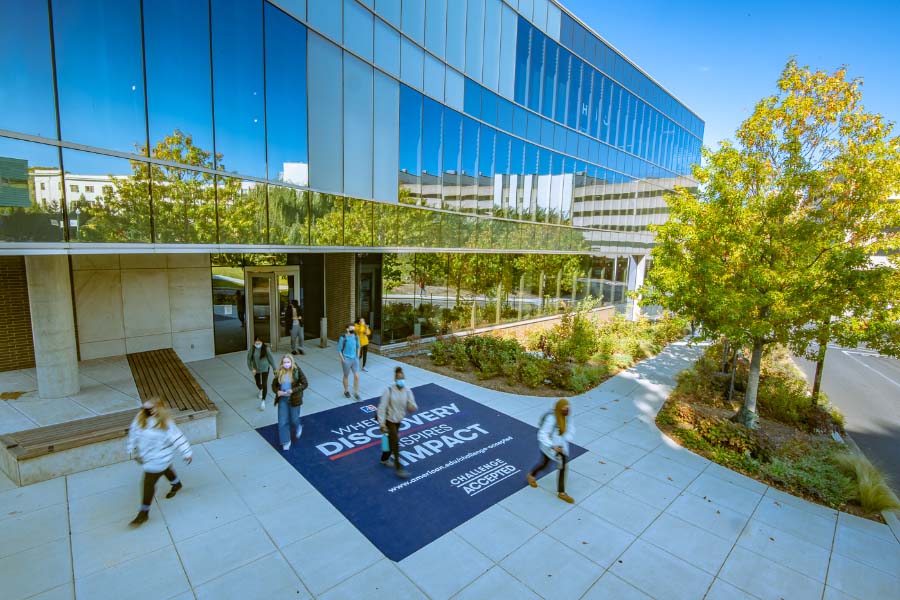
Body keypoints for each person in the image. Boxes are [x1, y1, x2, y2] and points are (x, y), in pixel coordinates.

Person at [126, 397, 193, 526]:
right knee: (166, 469)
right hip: (147, 456)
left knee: (148, 483)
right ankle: (176, 484)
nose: (149, 412)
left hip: (160, 457)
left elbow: (178, 438)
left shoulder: (166, 422)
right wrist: (131, 447)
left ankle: (143, 513)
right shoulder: (140, 417)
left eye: (152, 409)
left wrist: (187, 452)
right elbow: (133, 432)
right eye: (146, 409)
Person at [527, 398, 576, 504]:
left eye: (567, 407)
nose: (567, 410)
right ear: (559, 408)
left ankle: (561, 492)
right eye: (564, 408)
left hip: (561, 447)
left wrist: (565, 440)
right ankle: (531, 475)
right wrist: (552, 446)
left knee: (562, 467)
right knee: (545, 464)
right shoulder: (552, 418)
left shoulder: (567, 416)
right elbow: (542, 434)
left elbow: (570, 429)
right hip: (550, 447)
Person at [377, 367, 417, 479]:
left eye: (403, 378)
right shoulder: (389, 390)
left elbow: (413, 404)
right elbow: (381, 407)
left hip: (398, 420)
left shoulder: (408, 391)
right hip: (389, 420)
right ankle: (399, 469)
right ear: (395, 379)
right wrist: (382, 424)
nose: (401, 380)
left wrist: (412, 407)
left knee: (390, 442)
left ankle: (384, 459)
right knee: (395, 443)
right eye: (399, 378)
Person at [271, 354, 308, 451]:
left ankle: (298, 425)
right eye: (284, 362)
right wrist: (277, 392)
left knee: (294, 419)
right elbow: (274, 385)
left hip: (294, 398)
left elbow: (305, 384)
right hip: (282, 399)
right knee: (282, 421)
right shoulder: (279, 372)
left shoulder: (296, 371)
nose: (286, 364)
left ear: (292, 362)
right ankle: (286, 441)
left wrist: (293, 390)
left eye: (288, 362)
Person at [247, 335, 272, 411]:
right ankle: (261, 390)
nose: (257, 342)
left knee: (264, 384)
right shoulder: (253, 348)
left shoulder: (266, 348)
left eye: (259, 341)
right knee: (258, 383)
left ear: (262, 341)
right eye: (256, 340)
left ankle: (263, 401)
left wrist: (274, 368)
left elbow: (271, 359)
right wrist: (252, 369)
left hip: (265, 368)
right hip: (256, 369)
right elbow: (249, 359)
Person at [338, 323, 361, 400]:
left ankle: (356, 392)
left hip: (354, 359)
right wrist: (343, 360)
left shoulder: (356, 337)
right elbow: (339, 350)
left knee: (357, 376)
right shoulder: (343, 338)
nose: (353, 330)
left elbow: (358, 347)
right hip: (346, 359)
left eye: (353, 329)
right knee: (346, 376)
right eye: (351, 329)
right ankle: (346, 391)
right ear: (347, 329)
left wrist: (357, 356)